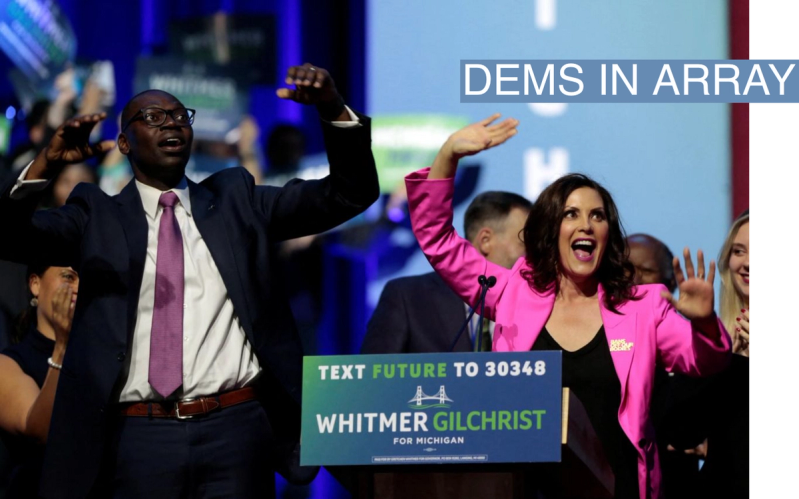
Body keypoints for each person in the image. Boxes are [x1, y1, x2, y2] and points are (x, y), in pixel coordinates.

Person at [0, 63, 378, 499]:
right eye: (154, 117)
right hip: (138, 436)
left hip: (236, 430)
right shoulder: (94, 216)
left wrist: (331, 106)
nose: (172, 123)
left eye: (180, 116)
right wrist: (44, 161)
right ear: (123, 142)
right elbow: (10, 238)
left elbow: (349, 193)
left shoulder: (237, 201)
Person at [404, 114, 731, 499]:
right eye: (571, 214)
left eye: (597, 216)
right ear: (550, 229)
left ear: (608, 234)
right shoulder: (511, 292)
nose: (586, 225)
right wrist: (448, 156)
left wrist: (706, 323)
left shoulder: (643, 307)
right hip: (526, 490)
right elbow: (438, 240)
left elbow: (704, 361)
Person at [361, 191, 531, 354]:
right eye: (525, 242)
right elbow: (373, 376)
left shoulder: (537, 306)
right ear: (485, 241)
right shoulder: (408, 297)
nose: (536, 254)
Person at [665, 208, 751, 499]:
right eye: (739, 251)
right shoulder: (718, 339)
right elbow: (680, 432)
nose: (747, 263)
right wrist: (710, 340)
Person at [0, 265, 78, 498]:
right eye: (68, 277)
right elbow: (41, 430)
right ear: (35, 284)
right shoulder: (10, 363)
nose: (78, 288)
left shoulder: (101, 356)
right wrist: (62, 346)